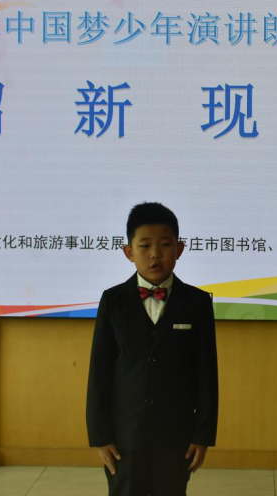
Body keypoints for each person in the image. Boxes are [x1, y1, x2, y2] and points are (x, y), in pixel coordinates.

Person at [86, 202, 219, 496]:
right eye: (145, 245)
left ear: (180, 249)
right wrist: (100, 435)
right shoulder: (113, 301)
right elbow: (99, 371)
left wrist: (203, 434)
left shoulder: (197, 302)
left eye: (165, 244)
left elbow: (207, 373)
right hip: (124, 436)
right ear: (129, 252)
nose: (155, 254)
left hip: (176, 436)